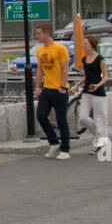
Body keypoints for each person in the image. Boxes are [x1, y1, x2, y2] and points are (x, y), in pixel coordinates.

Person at [33, 22, 73, 159]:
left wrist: (62, 86)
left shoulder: (60, 49)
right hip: (47, 88)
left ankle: (65, 149)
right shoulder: (40, 51)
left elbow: (65, 68)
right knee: (41, 115)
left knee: (61, 119)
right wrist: (37, 87)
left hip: (59, 89)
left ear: (47, 33)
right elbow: (40, 70)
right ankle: (54, 142)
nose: (37, 36)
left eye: (39, 33)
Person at [72, 34, 110, 156]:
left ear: (92, 45)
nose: (83, 45)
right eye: (83, 43)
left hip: (98, 93)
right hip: (87, 92)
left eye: (85, 43)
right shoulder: (84, 59)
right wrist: (77, 85)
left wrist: (98, 85)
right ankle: (98, 134)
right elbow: (86, 76)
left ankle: (99, 143)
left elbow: (105, 76)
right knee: (83, 118)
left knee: (101, 118)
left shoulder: (100, 59)